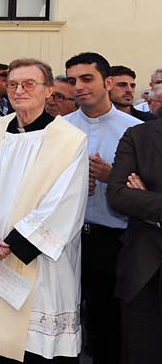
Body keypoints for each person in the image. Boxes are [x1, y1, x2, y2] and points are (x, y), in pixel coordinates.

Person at [0, 58, 88, 363]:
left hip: (39, 264)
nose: (19, 90)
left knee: (30, 344)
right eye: (13, 84)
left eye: (29, 84)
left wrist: (9, 246)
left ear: (48, 90)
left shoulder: (69, 140)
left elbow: (65, 205)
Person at [63, 52, 141, 364]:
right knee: (61, 318)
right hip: (66, 238)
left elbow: (147, 189)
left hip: (113, 240)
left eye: (87, 78)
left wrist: (112, 178)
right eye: (73, 81)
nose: (79, 87)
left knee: (107, 322)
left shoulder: (135, 130)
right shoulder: (59, 129)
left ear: (107, 82)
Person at [107, 119, 162, 364]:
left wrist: (146, 202)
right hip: (144, 275)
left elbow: (133, 200)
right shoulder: (138, 136)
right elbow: (117, 194)